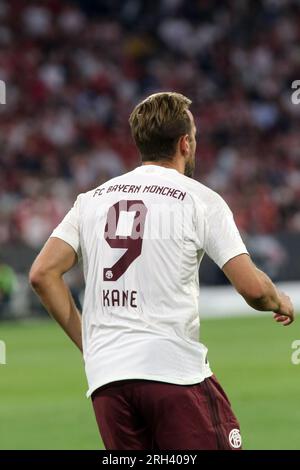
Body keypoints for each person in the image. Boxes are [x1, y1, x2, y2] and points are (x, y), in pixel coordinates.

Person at [29, 92, 295, 450]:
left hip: (108, 382)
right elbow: (253, 289)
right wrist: (279, 300)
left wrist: (91, 345)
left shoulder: (90, 200)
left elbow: (42, 273)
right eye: (195, 137)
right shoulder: (200, 199)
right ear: (185, 143)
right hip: (173, 374)